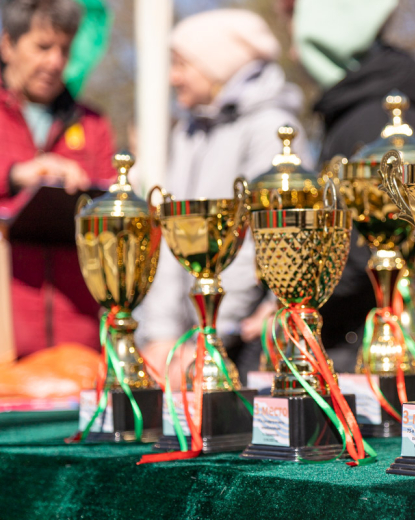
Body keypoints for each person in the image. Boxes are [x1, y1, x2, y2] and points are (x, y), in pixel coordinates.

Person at [138, 9, 312, 384]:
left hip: (243, 340)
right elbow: (170, 237)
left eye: (182, 64)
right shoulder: (188, 131)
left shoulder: (270, 129)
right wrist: (162, 336)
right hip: (187, 341)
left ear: (215, 65)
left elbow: (256, 245)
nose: (173, 77)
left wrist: (212, 335)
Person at [289, 0, 415, 371]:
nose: (293, 52)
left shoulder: (374, 119)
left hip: (386, 345)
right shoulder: (355, 111)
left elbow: (366, 248)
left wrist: (300, 300)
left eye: (298, 30)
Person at [0, 0, 116, 359]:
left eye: (64, 50)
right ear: (8, 45)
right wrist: (14, 175)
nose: (55, 62)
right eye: (43, 46)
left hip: (78, 340)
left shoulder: (93, 124)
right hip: (7, 335)